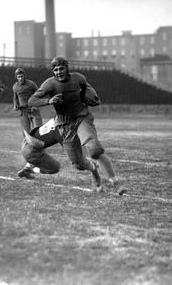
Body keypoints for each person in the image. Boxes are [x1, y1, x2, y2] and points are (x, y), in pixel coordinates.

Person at [27, 56, 126, 194]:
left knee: (94, 149)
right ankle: (94, 170)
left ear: (67, 68)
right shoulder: (49, 84)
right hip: (65, 125)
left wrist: (91, 95)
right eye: (55, 70)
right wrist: (49, 101)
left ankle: (116, 183)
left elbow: (87, 87)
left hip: (82, 118)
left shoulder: (78, 78)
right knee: (78, 164)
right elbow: (31, 101)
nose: (59, 72)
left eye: (61, 68)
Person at [16, 118, 103, 192]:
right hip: (32, 150)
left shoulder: (57, 119)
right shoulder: (63, 127)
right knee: (56, 168)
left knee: (78, 161)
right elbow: (40, 143)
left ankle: (30, 166)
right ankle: (32, 169)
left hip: (26, 146)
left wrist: (28, 136)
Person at [12, 68, 43, 135]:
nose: (20, 78)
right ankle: (28, 144)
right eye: (19, 77)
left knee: (39, 130)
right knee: (26, 132)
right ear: (16, 77)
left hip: (33, 109)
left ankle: (39, 144)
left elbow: (39, 93)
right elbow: (15, 98)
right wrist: (15, 105)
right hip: (23, 111)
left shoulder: (31, 84)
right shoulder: (15, 87)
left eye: (22, 76)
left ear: (24, 76)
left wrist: (36, 104)